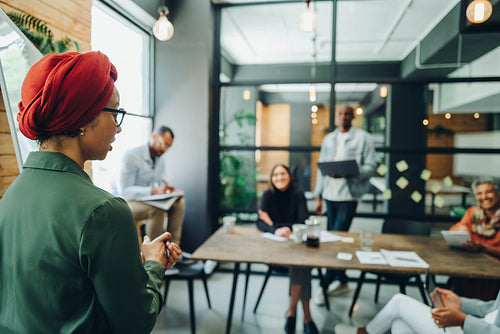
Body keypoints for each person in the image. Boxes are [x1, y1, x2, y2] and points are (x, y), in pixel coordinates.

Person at [0, 51, 181, 333]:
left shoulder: (11, 196)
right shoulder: (103, 211)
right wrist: (154, 265)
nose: (119, 127)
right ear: (84, 117)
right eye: (116, 112)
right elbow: (137, 321)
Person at [313, 105, 376, 304]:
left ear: (353, 116)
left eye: (347, 114)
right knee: (332, 238)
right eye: (340, 113)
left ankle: (325, 283)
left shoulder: (363, 138)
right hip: (330, 193)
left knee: (338, 237)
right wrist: (319, 195)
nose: (343, 117)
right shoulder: (329, 138)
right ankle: (342, 279)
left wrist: (349, 172)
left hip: (349, 195)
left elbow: (371, 167)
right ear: (337, 116)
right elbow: (321, 167)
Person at [256, 164, 319, 334]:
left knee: (300, 263)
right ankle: (307, 317)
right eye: (275, 174)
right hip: (274, 252)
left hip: (296, 249)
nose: (279, 177)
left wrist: (273, 224)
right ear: (271, 178)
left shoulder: (298, 195)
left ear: (290, 176)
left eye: (283, 173)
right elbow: (259, 222)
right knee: (302, 264)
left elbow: (302, 220)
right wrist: (275, 229)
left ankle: (291, 313)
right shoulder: (268, 195)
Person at [117, 126, 185, 245]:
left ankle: (173, 248)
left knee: (180, 203)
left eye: (169, 147)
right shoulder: (131, 155)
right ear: (154, 136)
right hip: (124, 202)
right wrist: (153, 191)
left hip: (147, 200)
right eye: (164, 144)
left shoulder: (159, 158)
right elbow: (124, 191)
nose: (165, 150)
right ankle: (154, 254)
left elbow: (161, 182)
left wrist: (169, 191)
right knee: (156, 210)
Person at [335, 288, 500, 334]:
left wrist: (464, 321)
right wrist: (460, 302)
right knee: (399, 323)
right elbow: (493, 308)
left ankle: (364, 332)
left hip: (476, 329)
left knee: (399, 303)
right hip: (479, 325)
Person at [448, 177, 500, 300]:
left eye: (489, 192)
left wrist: (483, 248)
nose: (484, 197)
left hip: (494, 273)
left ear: (498, 193)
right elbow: (455, 229)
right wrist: (460, 228)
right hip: (471, 266)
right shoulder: (473, 213)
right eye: (479, 193)